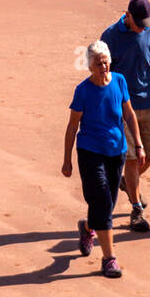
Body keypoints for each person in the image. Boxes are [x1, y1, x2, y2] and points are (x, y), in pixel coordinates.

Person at [61, 40, 143, 278]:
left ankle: (87, 228)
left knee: (106, 203)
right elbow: (72, 126)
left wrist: (138, 145)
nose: (103, 66)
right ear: (90, 66)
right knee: (104, 202)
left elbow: (128, 114)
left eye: (106, 62)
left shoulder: (119, 81)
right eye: (98, 63)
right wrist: (67, 160)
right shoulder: (83, 91)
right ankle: (109, 259)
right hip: (90, 152)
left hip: (116, 151)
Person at [100, 0, 150, 233]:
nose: (144, 26)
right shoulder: (110, 37)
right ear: (127, 15)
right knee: (132, 159)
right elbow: (101, 77)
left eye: (147, 21)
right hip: (123, 109)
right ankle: (136, 209)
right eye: (139, 22)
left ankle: (125, 181)